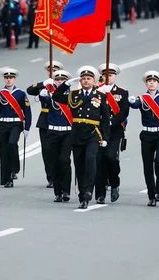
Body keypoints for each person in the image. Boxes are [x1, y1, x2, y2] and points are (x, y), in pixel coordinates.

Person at [52, 66, 110, 209]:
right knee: (79, 166)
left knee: (90, 160)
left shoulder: (100, 96)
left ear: (93, 81)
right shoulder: (74, 94)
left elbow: (105, 119)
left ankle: (89, 190)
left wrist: (105, 138)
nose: (85, 81)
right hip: (77, 134)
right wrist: (66, 84)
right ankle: (82, 197)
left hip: (93, 133)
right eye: (83, 79)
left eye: (88, 79)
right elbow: (56, 96)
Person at [128, 71, 159, 207]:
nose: (151, 83)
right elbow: (135, 105)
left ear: (158, 83)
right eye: (149, 81)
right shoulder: (142, 98)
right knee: (147, 165)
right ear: (146, 84)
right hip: (147, 135)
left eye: (154, 81)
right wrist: (131, 101)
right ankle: (151, 195)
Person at [0, 68, 32, 188]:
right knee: (4, 150)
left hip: (16, 124)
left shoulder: (20, 93)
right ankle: (7, 179)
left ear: (14, 79)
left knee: (12, 143)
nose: (8, 80)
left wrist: (27, 128)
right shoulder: (1, 93)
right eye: (6, 78)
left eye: (11, 78)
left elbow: (27, 111)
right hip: (3, 124)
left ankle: (14, 169)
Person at [95, 63, 129, 204]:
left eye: (111, 75)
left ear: (115, 76)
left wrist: (111, 122)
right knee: (99, 161)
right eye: (106, 75)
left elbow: (124, 112)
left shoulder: (122, 92)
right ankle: (100, 193)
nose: (108, 77)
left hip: (114, 130)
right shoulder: (97, 91)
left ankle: (115, 184)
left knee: (111, 157)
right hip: (98, 131)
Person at [26, 60, 65, 187]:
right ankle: (51, 177)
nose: (52, 72)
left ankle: (62, 176)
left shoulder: (64, 86)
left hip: (60, 120)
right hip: (46, 121)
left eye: (54, 70)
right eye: (50, 70)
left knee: (61, 152)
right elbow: (30, 90)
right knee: (47, 151)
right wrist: (43, 84)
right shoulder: (45, 85)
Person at [38, 69, 73, 203]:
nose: (59, 82)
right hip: (52, 132)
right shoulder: (50, 94)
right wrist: (42, 92)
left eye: (62, 80)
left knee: (65, 160)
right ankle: (58, 192)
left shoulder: (73, 96)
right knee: (54, 162)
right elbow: (43, 98)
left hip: (67, 132)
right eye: (57, 80)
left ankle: (66, 191)